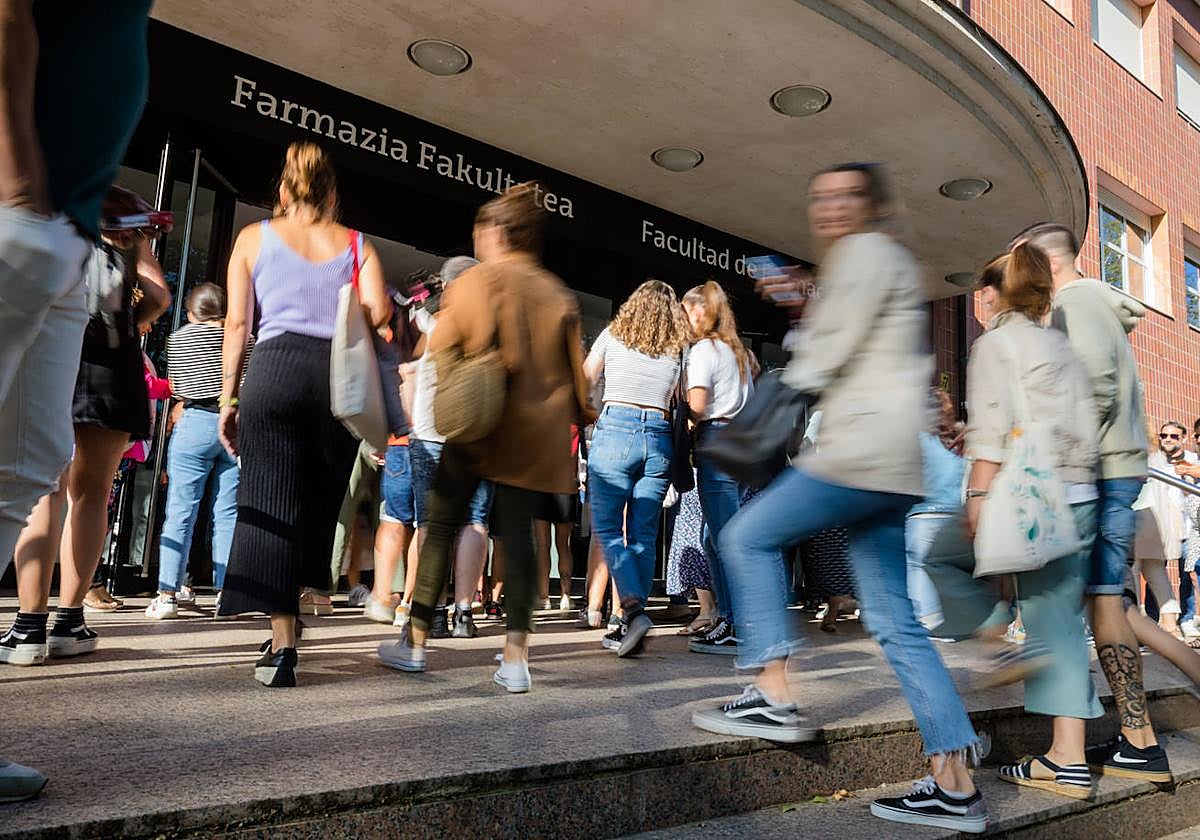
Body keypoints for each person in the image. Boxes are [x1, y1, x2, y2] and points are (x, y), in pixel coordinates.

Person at [692, 163, 988, 834]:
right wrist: (809, 302)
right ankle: (955, 783)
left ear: (870, 205)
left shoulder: (862, 253)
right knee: (898, 625)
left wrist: (799, 333)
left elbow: (826, 360)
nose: (830, 209)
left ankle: (772, 694)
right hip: (894, 462)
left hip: (857, 454)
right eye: (820, 198)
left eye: (846, 197)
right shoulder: (890, 263)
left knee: (745, 536)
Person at [0, 0, 153, 801]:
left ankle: (30, 634)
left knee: (29, 467)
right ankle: (51, 618)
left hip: (61, 227)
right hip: (24, 213)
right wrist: (20, 184)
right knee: (37, 473)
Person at [377, 182, 596, 692]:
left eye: (480, 230)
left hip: (478, 426)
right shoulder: (558, 295)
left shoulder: (478, 282)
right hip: (534, 439)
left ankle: (415, 642)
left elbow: (447, 345)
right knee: (518, 540)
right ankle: (516, 658)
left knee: (441, 525)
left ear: (497, 232)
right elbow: (579, 388)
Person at [926, 247, 1103, 800]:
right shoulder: (1061, 346)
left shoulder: (995, 343)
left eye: (985, 287)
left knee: (939, 554)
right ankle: (1068, 760)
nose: (979, 296)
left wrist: (977, 493)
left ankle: (998, 636)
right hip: (1077, 494)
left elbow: (995, 430)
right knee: (1059, 625)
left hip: (1024, 495)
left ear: (997, 292)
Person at [216, 141, 391, 688]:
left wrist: (229, 399)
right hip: (333, 382)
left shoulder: (252, 238)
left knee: (269, 502)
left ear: (284, 190)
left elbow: (237, 327)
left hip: (272, 372)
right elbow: (379, 314)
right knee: (317, 508)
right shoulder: (357, 243)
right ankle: (291, 621)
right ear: (332, 192)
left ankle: (283, 644)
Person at [1012, 222, 1170, 782]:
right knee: (1107, 603)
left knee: (1094, 604)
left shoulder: (1075, 305)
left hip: (1100, 474)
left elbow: (1095, 386)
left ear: (1044, 264)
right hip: (1112, 469)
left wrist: (1053, 465)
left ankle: (1092, 751)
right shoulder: (1093, 306)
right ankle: (1138, 741)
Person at [3, 192, 170, 661]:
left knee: (45, 488)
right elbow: (159, 295)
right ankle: (70, 621)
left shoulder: (56, 216)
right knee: (92, 493)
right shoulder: (130, 232)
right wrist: (131, 325)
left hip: (56, 358)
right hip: (113, 370)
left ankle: (28, 626)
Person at [584, 280, 689, 656]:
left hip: (616, 428)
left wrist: (592, 416)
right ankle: (634, 619)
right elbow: (684, 398)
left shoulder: (613, 333)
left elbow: (585, 378)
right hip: (659, 435)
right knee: (644, 532)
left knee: (609, 527)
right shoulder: (678, 347)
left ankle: (630, 607)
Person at [405, 255, 494, 639]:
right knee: (474, 522)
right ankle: (463, 615)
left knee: (431, 524)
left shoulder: (430, 323)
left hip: (429, 433)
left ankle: (432, 612)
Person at [146, 284, 246, 619]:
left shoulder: (178, 339)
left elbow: (175, 385)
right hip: (234, 426)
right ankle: (225, 594)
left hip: (194, 422)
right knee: (228, 513)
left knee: (181, 510)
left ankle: (167, 595)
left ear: (192, 312)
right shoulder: (245, 339)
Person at [681, 281, 755, 655]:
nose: (683, 318)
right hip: (741, 446)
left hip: (716, 441)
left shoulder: (705, 351)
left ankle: (736, 621)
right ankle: (729, 618)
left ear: (699, 312)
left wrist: (683, 415)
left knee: (723, 538)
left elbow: (697, 405)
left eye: (686, 310)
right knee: (717, 537)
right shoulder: (739, 352)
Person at [905, 389, 966, 630]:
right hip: (955, 518)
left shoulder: (917, 440)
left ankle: (927, 623)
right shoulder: (956, 444)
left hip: (921, 517)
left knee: (918, 570)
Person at [1131, 420, 1194, 638]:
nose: (1167, 439)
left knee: (1132, 571)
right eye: (1163, 435)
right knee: (1156, 573)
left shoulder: (1139, 456)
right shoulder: (1158, 458)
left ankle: (1137, 628)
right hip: (1157, 524)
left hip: (1139, 516)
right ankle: (1170, 625)